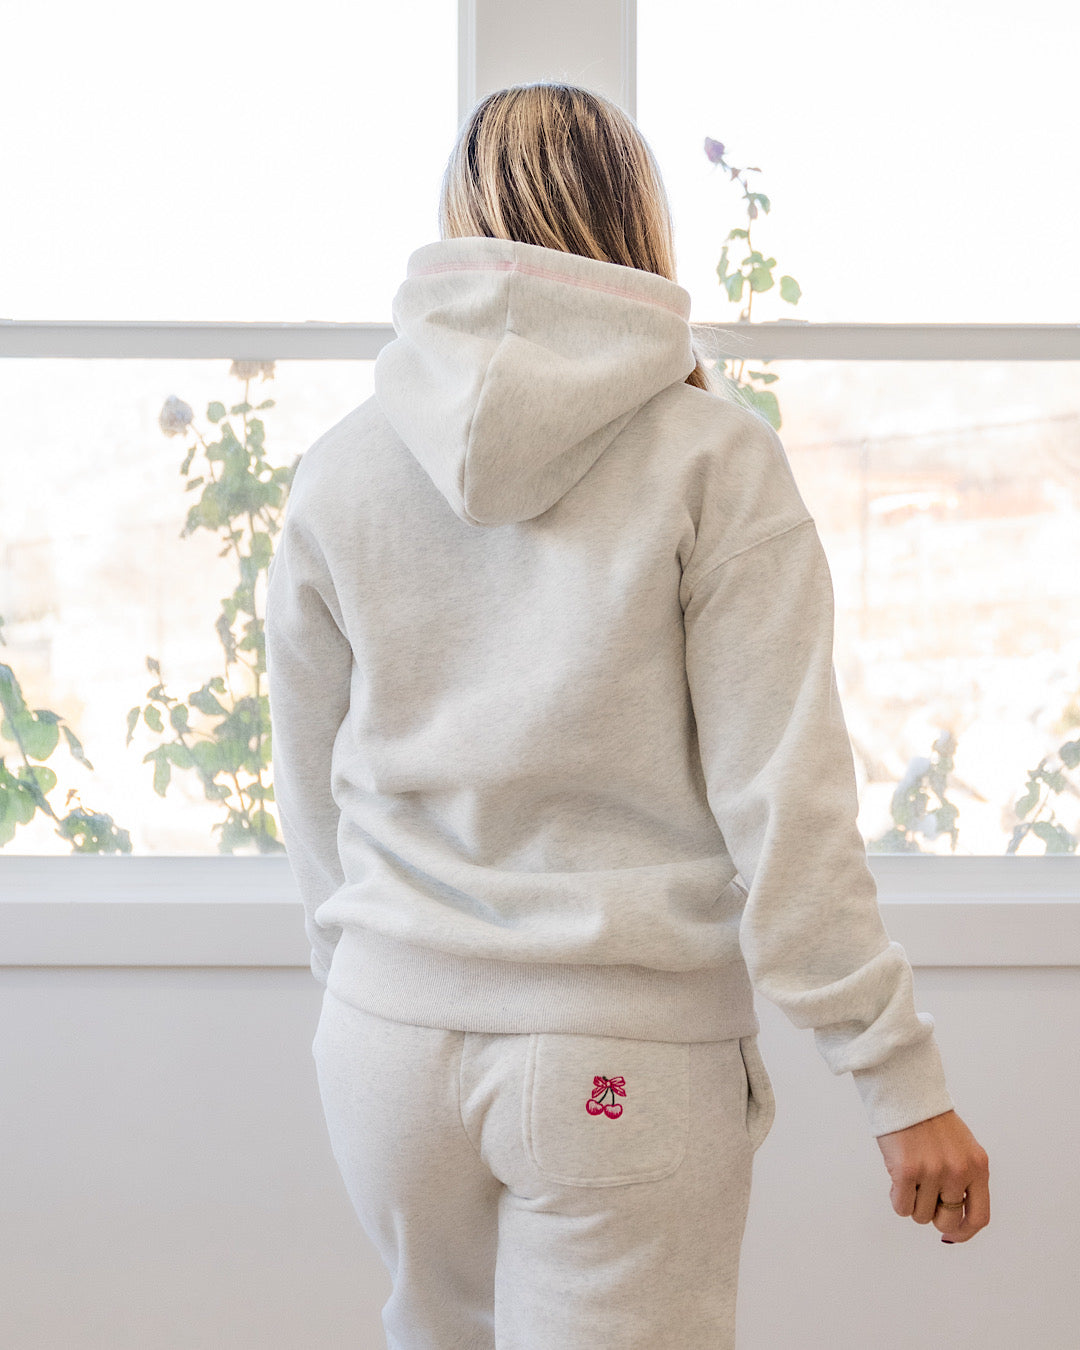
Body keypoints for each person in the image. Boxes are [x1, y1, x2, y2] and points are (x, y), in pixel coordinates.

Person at [264, 80, 990, 1350]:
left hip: (383, 1049)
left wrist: (372, 984)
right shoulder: (713, 458)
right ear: (636, 223)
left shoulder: (343, 468)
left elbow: (308, 781)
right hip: (622, 1057)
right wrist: (896, 1079)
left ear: (460, 220)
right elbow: (785, 799)